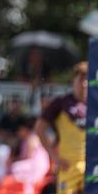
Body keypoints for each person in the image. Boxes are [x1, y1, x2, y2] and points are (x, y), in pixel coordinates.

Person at [35, 61, 87, 194]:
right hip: (67, 167)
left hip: (91, 168)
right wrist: (54, 156)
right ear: (73, 81)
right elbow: (39, 128)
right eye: (80, 79)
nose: (84, 84)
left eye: (87, 80)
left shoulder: (95, 105)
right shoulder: (61, 103)